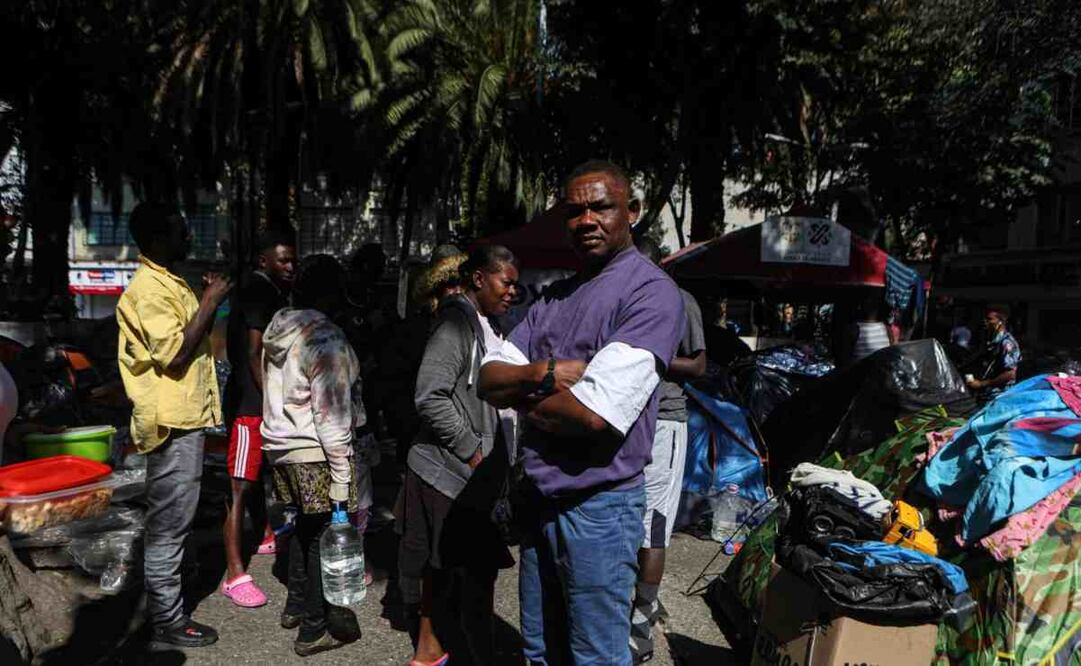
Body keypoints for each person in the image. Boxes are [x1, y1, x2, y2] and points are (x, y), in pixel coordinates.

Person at [479, 160, 684, 665]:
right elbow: (487, 378)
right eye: (574, 211)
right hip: (541, 499)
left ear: (632, 211)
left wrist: (522, 393)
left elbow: (594, 415)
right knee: (540, 649)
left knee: (595, 656)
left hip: (600, 509)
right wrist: (547, 373)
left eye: (601, 207)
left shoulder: (649, 292)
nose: (586, 220)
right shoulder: (555, 296)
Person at [116, 202, 231, 648]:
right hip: (170, 423)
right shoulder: (148, 290)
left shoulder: (168, 282)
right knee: (169, 522)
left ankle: (169, 600)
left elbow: (188, 336)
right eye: (182, 231)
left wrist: (203, 301)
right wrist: (211, 300)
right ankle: (167, 619)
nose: (189, 238)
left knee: (176, 517)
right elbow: (176, 355)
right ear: (158, 239)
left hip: (183, 418)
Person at [399, 244, 520, 666]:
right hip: (449, 473)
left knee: (449, 568)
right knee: (470, 573)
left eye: (516, 285)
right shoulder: (456, 323)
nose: (513, 292)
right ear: (478, 279)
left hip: (474, 474)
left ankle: (430, 649)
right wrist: (472, 450)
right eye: (506, 283)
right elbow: (429, 395)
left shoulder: (489, 323)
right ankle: (471, 653)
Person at [261, 255, 366, 657]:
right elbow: (331, 413)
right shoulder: (325, 337)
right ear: (332, 295)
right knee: (323, 533)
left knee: (306, 528)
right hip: (315, 448)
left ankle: (297, 607)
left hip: (282, 446)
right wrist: (342, 472)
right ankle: (313, 629)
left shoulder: (279, 330)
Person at [630, 237, 706, 662]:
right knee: (623, 517)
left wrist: (650, 357)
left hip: (665, 422)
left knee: (652, 526)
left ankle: (641, 625)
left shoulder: (681, 301)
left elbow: (698, 364)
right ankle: (625, 606)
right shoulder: (624, 297)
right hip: (625, 419)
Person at [220, 231, 296, 608]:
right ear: (264, 261)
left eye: (293, 260)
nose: (290, 266)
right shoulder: (259, 292)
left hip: (256, 401)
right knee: (239, 486)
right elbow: (253, 352)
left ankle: (265, 534)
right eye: (283, 260)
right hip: (249, 407)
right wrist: (271, 402)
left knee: (256, 478)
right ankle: (234, 574)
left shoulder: (270, 291)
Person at [967, 307, 1021, 394]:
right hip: (985, 393)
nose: (985, 322)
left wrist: (982, 384)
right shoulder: (991, 341)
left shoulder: (1007, 343)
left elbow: (1010, 374)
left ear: (1000, 322)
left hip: (1000, 394)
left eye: (989, 319)